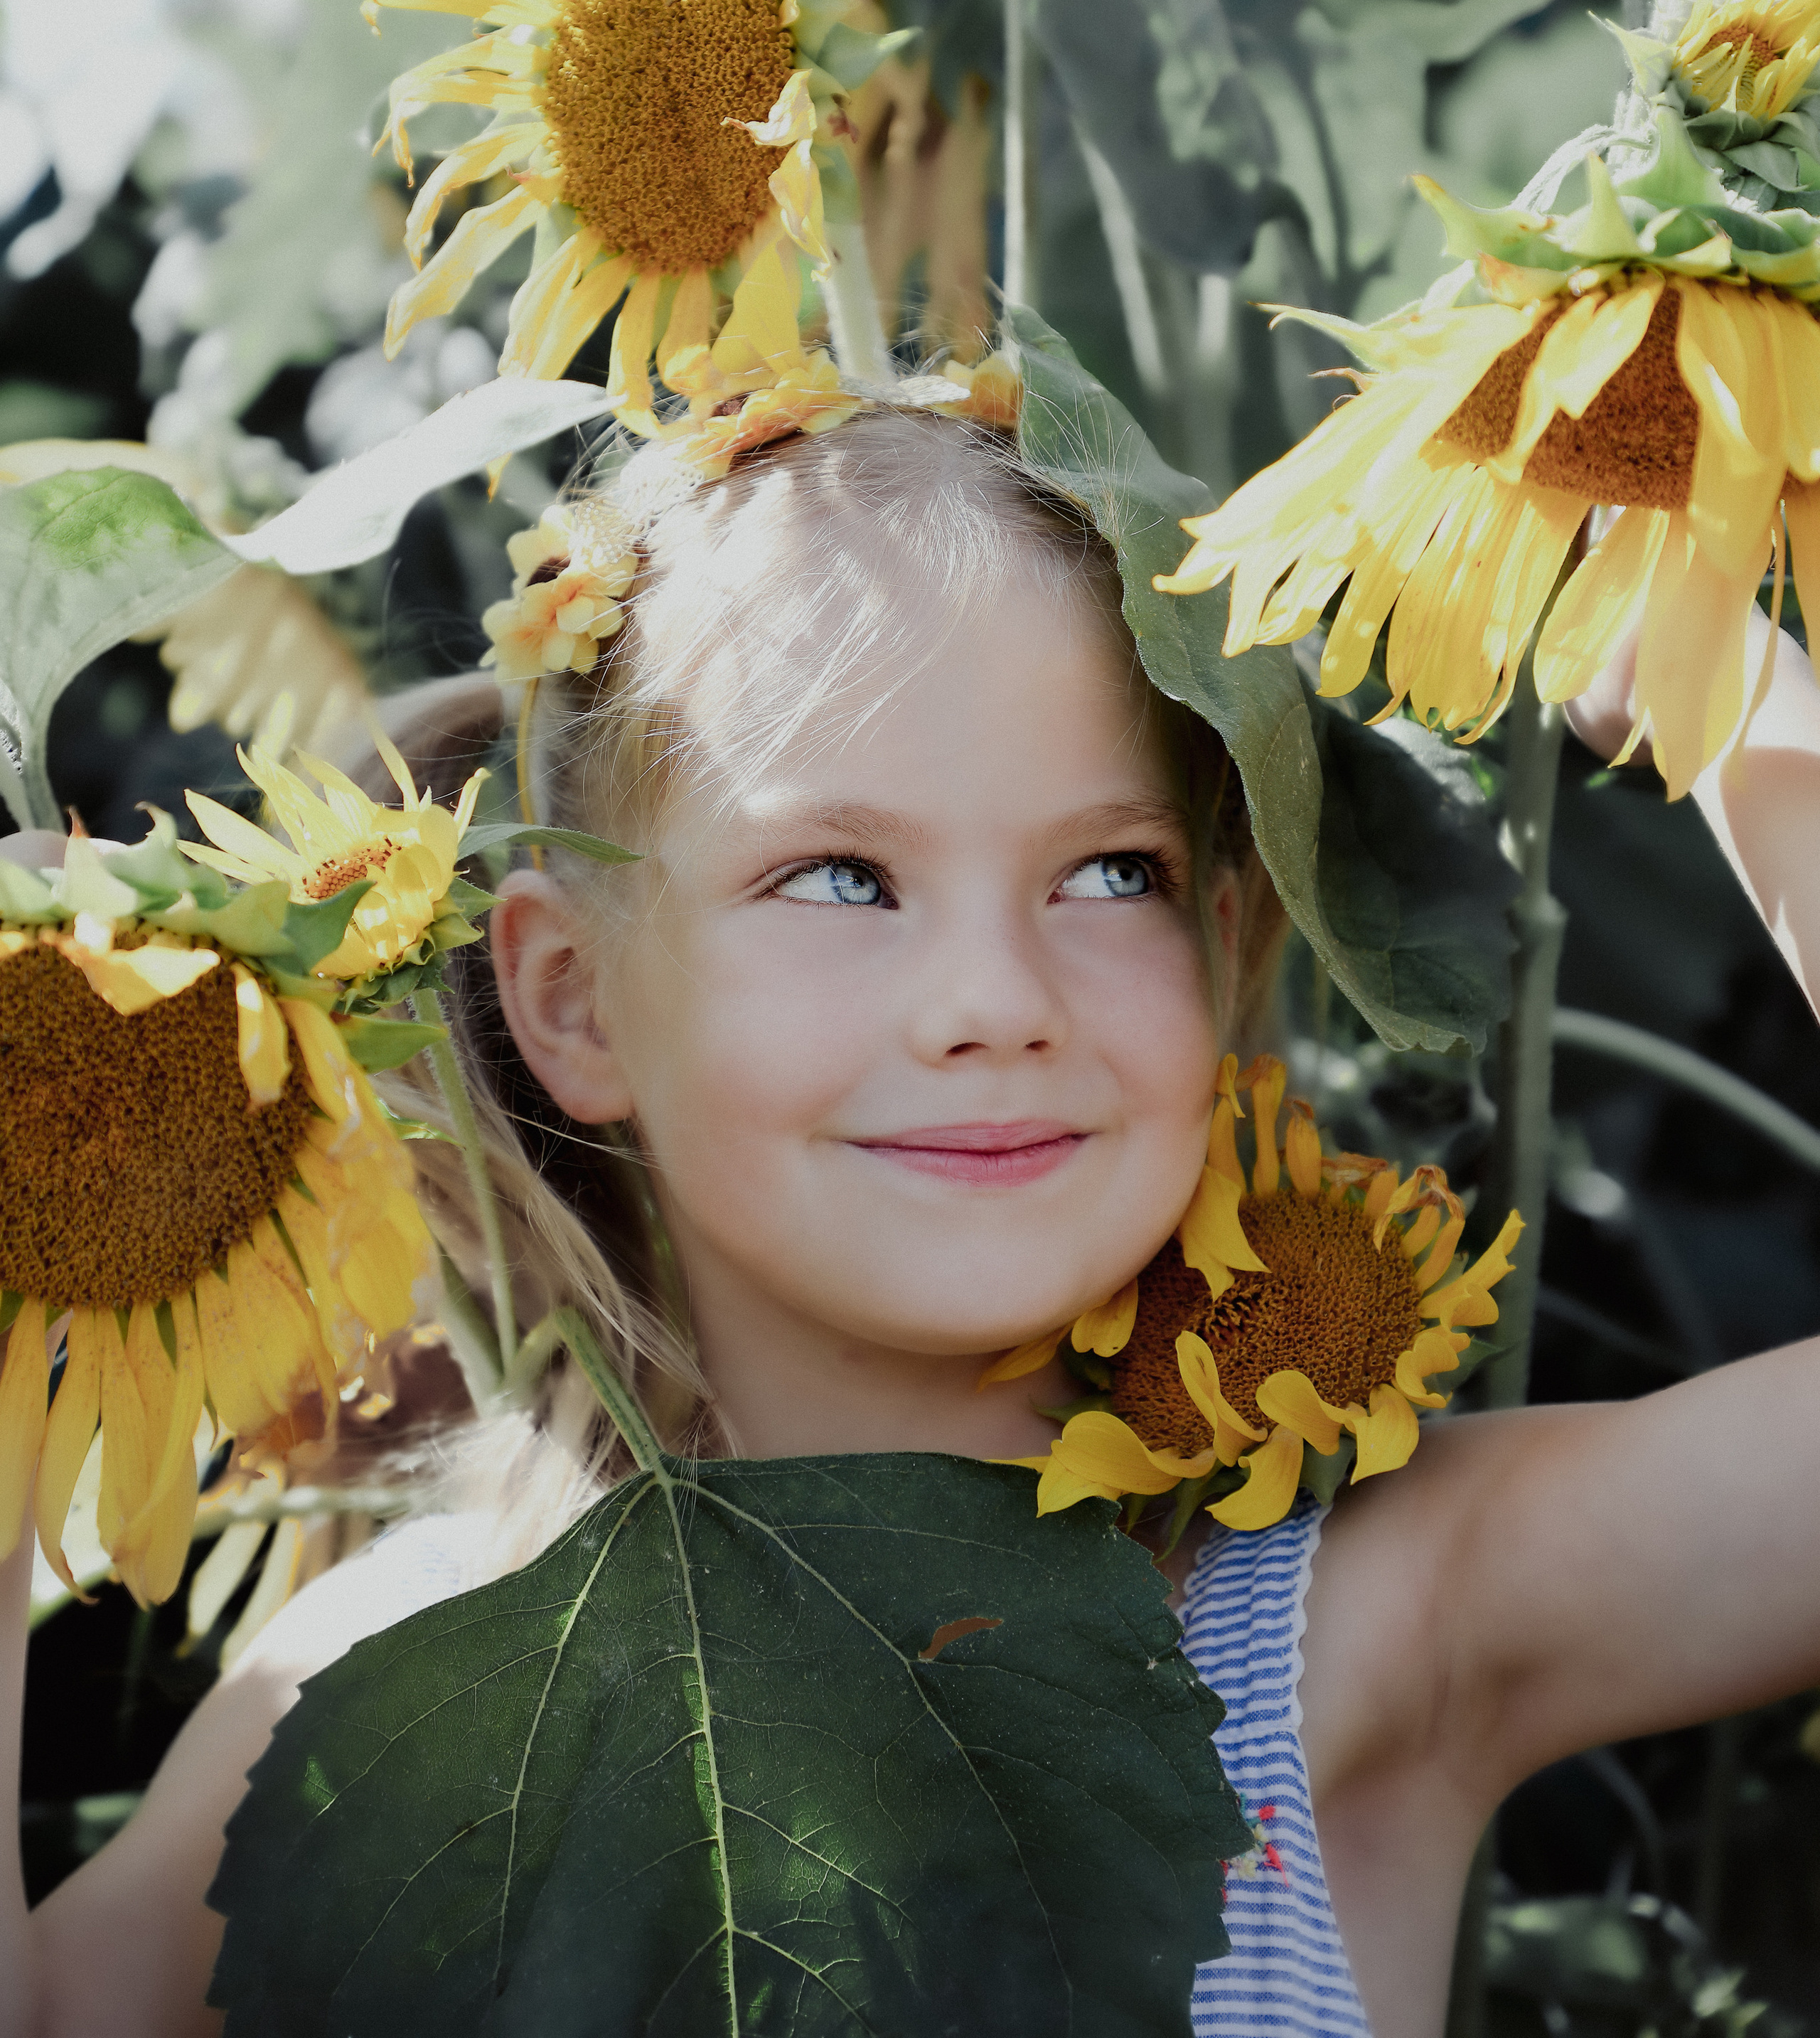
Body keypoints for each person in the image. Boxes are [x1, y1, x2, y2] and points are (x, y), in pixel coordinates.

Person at [4, 397, 1819, 2038]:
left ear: (1231, 947)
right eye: (841, 875)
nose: (992, 995)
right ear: (570, 999)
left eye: (1113, 872)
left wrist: (1710, 676)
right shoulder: (383, 1670)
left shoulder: (1336, 1634)